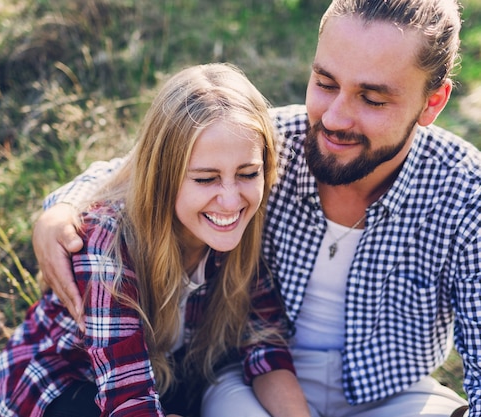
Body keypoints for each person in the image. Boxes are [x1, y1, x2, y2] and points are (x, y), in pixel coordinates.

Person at [30, 0, 481, 416]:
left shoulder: (466, 193)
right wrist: (61, 209)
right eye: (325, 83)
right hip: (250, 380)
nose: (335, 118)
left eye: (373, 98)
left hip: (392, 394)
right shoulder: (266, 144)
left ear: (432, 102)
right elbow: (138, 170)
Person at [0, 63, 310, 417]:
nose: (230, 199)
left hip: (164, 380)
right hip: (65, 385)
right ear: (162, 176)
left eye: (248, 173)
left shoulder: (243, 229)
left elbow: (264, 350)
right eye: (205, 179)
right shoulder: (107, 241)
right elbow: (127, 398)